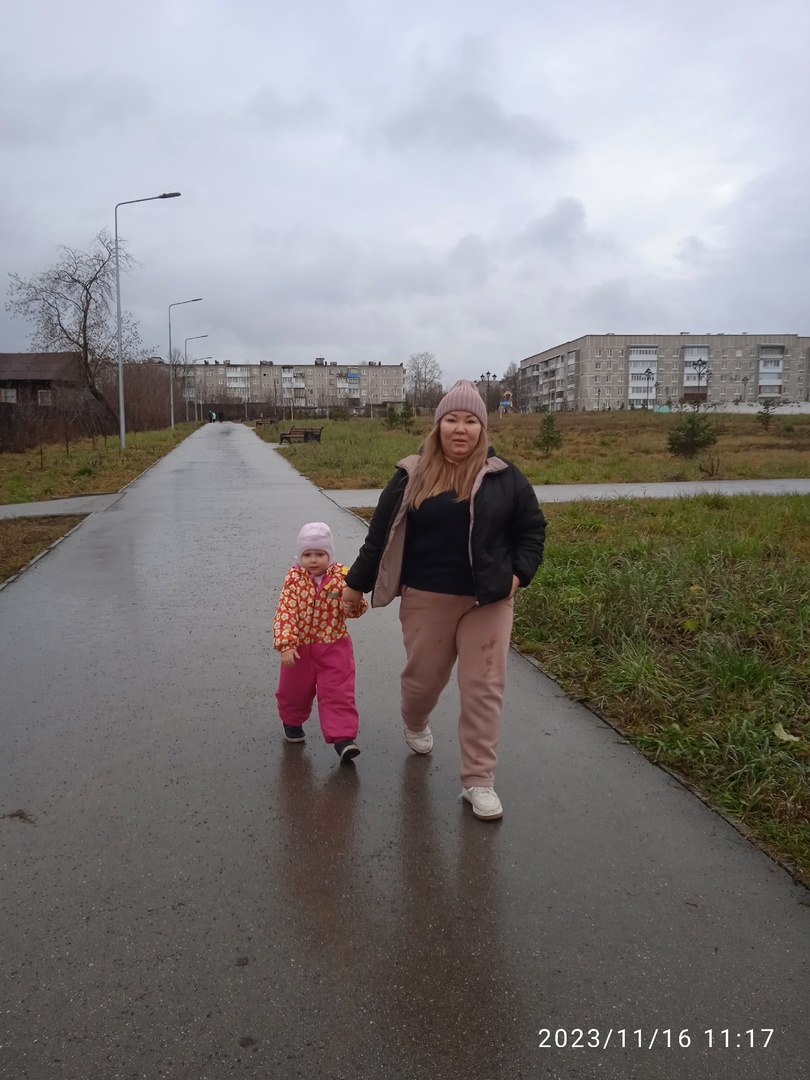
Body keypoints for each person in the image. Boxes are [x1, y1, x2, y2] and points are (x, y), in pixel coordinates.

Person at [341, 380, 546, 818]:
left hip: (487, 599)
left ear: (482, 428)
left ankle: (478, 780)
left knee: (484, 687)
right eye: (452, 419)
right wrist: (355, 584)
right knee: (424, 681)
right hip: (427, 596)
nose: (460, 428)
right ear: (438, 426)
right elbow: (379, 535)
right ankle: (415, 719)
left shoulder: (504, 476)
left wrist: (517, 577)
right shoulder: (411, 474)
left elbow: (532, 530)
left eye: (470, 421)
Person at [274, 522, 367, 762]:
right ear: (300, 556)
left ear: (330, 555)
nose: (313, 560)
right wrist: (286, 644)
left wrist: (352, 605)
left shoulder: (342, 577)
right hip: (300, 647)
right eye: (307, 555)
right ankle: (292, 722)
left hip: (334, 645)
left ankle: (343, 738)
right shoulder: (294, 579)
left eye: (319, 554)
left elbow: (356, 605)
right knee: (293, 690)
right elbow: (285, 611)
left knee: (339, 691)